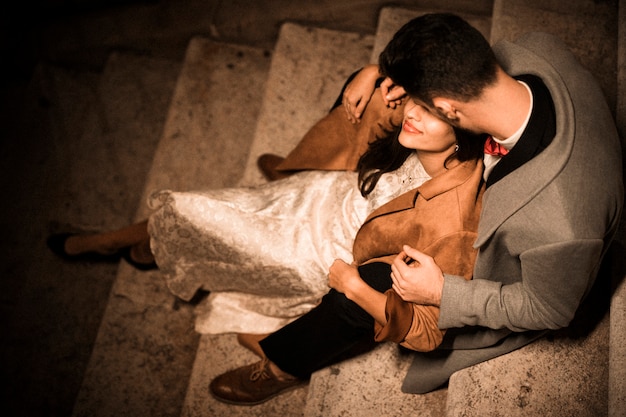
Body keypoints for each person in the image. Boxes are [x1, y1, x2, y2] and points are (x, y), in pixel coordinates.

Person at [209, 12, 623, 405]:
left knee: (368, 285)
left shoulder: (562, 224)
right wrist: (377, 73)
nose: (413, 105)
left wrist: (443, 291)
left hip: (503, 258)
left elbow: (549, 309)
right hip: (493, 165)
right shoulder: (535, 49)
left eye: (424, 102)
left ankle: (283, 365)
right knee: (380, 107)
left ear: (448, 109)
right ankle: (309, 175)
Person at [47, 83, 485, 335]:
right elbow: (411, 69)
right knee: (223, 208)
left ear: (462, 132)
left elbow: (428, 315)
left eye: (434, 114)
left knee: (194, 211)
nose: (415, 114)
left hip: (327, 250)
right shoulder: (416, 134)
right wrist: (375, 71)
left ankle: (109, 242)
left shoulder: (454, 204)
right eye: (420, 101)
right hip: (330, 194)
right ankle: (135, 243)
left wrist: (355, 284)